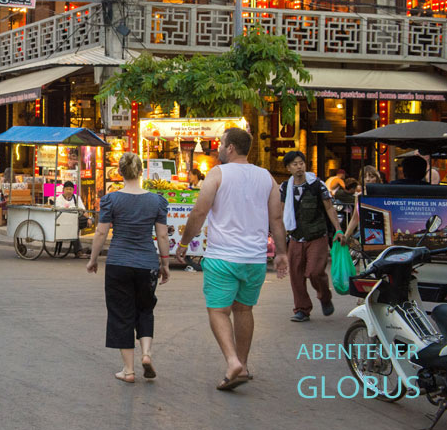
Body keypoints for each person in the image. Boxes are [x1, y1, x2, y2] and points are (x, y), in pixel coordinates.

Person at [174, 128, 289, 391]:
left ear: (231, 148)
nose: (217, 151)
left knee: (218, 311)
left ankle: (232, 361)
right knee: (243, 310)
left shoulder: (218, 174)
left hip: (222, 256)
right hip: (255, 258)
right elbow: (277, 219)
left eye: (221, 145)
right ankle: (244, 365)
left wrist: (184, 243)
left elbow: (199, 211)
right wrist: (281, 253)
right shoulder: (267, 178)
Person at [87, 152, 170, 383]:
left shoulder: (111, 200)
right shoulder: (156, 200)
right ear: (141, 171)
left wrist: (93, 259)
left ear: (120, 173)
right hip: (147, 263)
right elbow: (162, 235)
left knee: (121, 313)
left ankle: (128, 370)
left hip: (119, 263)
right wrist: (165, 263)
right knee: (145, 309)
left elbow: (101, 232)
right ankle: (146, 353)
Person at [279, 151, 344, 323]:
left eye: (301, 163)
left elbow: (329, 208)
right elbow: (280, 211)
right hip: (295, 237)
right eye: (294, 164)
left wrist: (338, 230)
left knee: (315, 272)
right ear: (288, 168)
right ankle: (302, 309)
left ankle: (324, 296)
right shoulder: (285, 188)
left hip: (317, 236)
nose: (299, 166)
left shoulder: (317, 185)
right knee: (296, 276)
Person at [54, 180, 89, 258]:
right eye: (67, 189)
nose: (69, 191)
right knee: (74, 228)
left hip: (75, 220)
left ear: (73, 190)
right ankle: (78, 251)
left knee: (88, 220)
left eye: (70, 189)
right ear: (63, 190)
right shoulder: (59, 199)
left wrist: (89, 218)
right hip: (62, 222)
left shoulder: (76, 198)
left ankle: (78, 250)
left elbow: (82, 210)